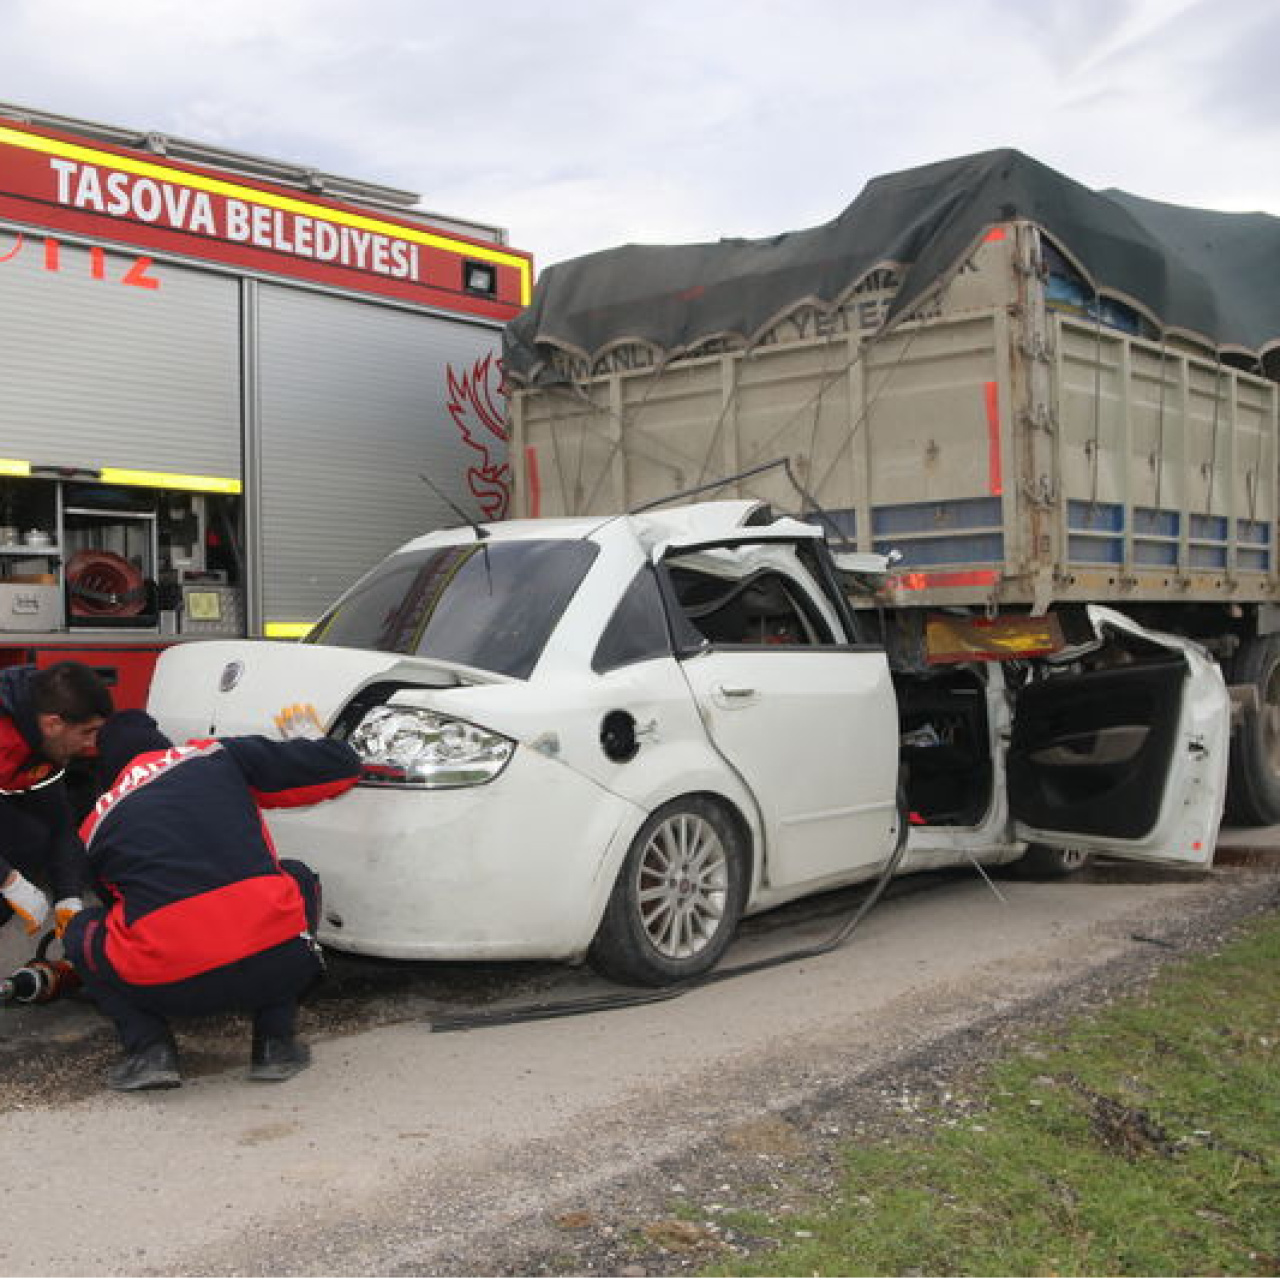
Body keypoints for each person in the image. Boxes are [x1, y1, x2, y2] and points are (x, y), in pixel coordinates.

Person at [62, 705, 362, 1092]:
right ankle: (275, 1044)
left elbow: (118, 909)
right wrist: (314, 742)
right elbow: (342, 768)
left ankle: (149, 1052)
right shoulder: (216, 755)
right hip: (275, 965)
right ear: (162, 742)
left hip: (172, 987)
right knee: (297, 876)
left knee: (82, 929)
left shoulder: (95, 821)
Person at [0, 662, 113, 940]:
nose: (92, 743)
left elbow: (59, 822)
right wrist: (8, 880)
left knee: (30, 835)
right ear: (53, 724)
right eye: (87, 732)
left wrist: (68, 897)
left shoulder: (47, 745)